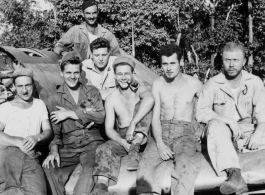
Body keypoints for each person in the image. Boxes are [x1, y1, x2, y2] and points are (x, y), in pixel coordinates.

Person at [196, 42, 265, 195]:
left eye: (236, 60)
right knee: (215, 125)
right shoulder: (213, 83)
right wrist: (228, 120)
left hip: (247, 130)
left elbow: (263, 113)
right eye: (227, 60)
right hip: (222, 132)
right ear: (222, 60)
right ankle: (235, 175)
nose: (231, 65)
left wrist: (259, 132)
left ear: (244, 62)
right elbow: (201, 112)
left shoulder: (255, 82)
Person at [136, 44, 202, 195]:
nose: (169, 68)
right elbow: (156, 117)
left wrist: (199, 131)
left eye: (172, 63)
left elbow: (204, 111)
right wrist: (159, 143)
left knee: (185, 167)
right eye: (165, 64)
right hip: (162, 131)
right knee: (145, 168)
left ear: (181, 62)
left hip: (185, 134)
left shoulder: (194, 84)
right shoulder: (158, 84)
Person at [42, 51, 105, 195]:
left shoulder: (91, 92)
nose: (72, 76)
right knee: (49, 168)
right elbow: (55, 133)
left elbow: (100, 117)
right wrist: (53, 151)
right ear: (61, 72)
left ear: (80, 72)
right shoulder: (54, 99)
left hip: (92, 142)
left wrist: (69, 113)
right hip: (68, 146)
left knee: (90, 169)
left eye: (76, 72)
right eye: (68, 72)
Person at [89, 57, 154, 195]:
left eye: (126, 73)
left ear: (132, 74)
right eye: (119, 74)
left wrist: (133, 124)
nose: (123, 77)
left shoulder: (140, 90)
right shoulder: (111, 98)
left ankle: (135, 147)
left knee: (145, 106)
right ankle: (101, 186)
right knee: (103, 148)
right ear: (115, 76)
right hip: (125, 135)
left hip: (144, 133)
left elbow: (150, 99)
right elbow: (109, 129)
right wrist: (123, 142)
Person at [0, 67, 53, 195]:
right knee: (10, 190)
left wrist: (37, 137)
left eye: (28, 85)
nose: (24, 90)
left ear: (33, 85)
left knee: (38, 192)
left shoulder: (39, 104)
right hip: (8, 152)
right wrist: (18, 143)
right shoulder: (6, 107)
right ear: (14, 87)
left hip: (31, 153)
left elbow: (48, 130)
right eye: (20, 86)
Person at [54, 0, 120, 61]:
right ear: (83, 14)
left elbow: (116, 55)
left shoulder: (106, 34)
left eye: (94, 13)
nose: (91, 16)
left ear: (98, 13)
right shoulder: (76, 31)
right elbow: (58, 46)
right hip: (81, 70)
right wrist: (67, 55)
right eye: (88, 13)